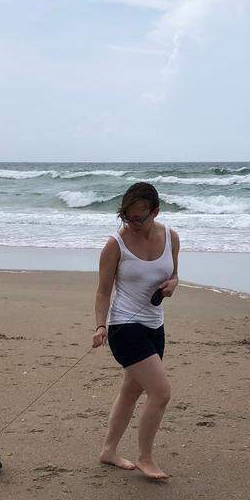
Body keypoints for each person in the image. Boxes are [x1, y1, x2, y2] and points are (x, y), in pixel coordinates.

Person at [92, 182, 179, 481]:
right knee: (161, 393)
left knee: (131, 391)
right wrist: (100, 325)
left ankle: (108, 450)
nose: (132, 224)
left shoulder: (171, 238)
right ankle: (146, 457)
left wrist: (173, 284)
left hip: (155, 325)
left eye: (139, 218)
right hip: (123, 327)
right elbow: (103, 292)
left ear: (156, 211)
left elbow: (174, 274)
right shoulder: (115, 244)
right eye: (127, 217)